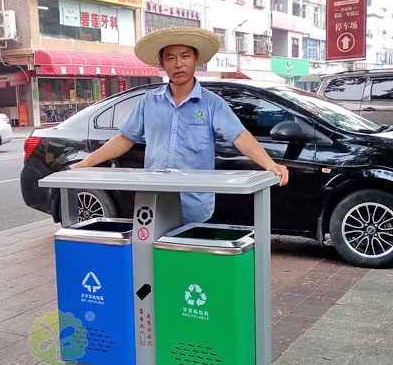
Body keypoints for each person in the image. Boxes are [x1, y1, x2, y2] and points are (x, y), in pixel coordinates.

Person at [75, 26, 289, 225]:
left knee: (190, 262)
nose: (179, 64)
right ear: (162, 63)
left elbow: (239, 135)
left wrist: (270, 164)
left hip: (195, 203)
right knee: (154, 262)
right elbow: (124, 138)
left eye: (185, 56)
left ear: (196, 59)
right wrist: (86, 163)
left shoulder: (212, 104)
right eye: (171, 58)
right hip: (154, 201)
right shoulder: (149, 102)